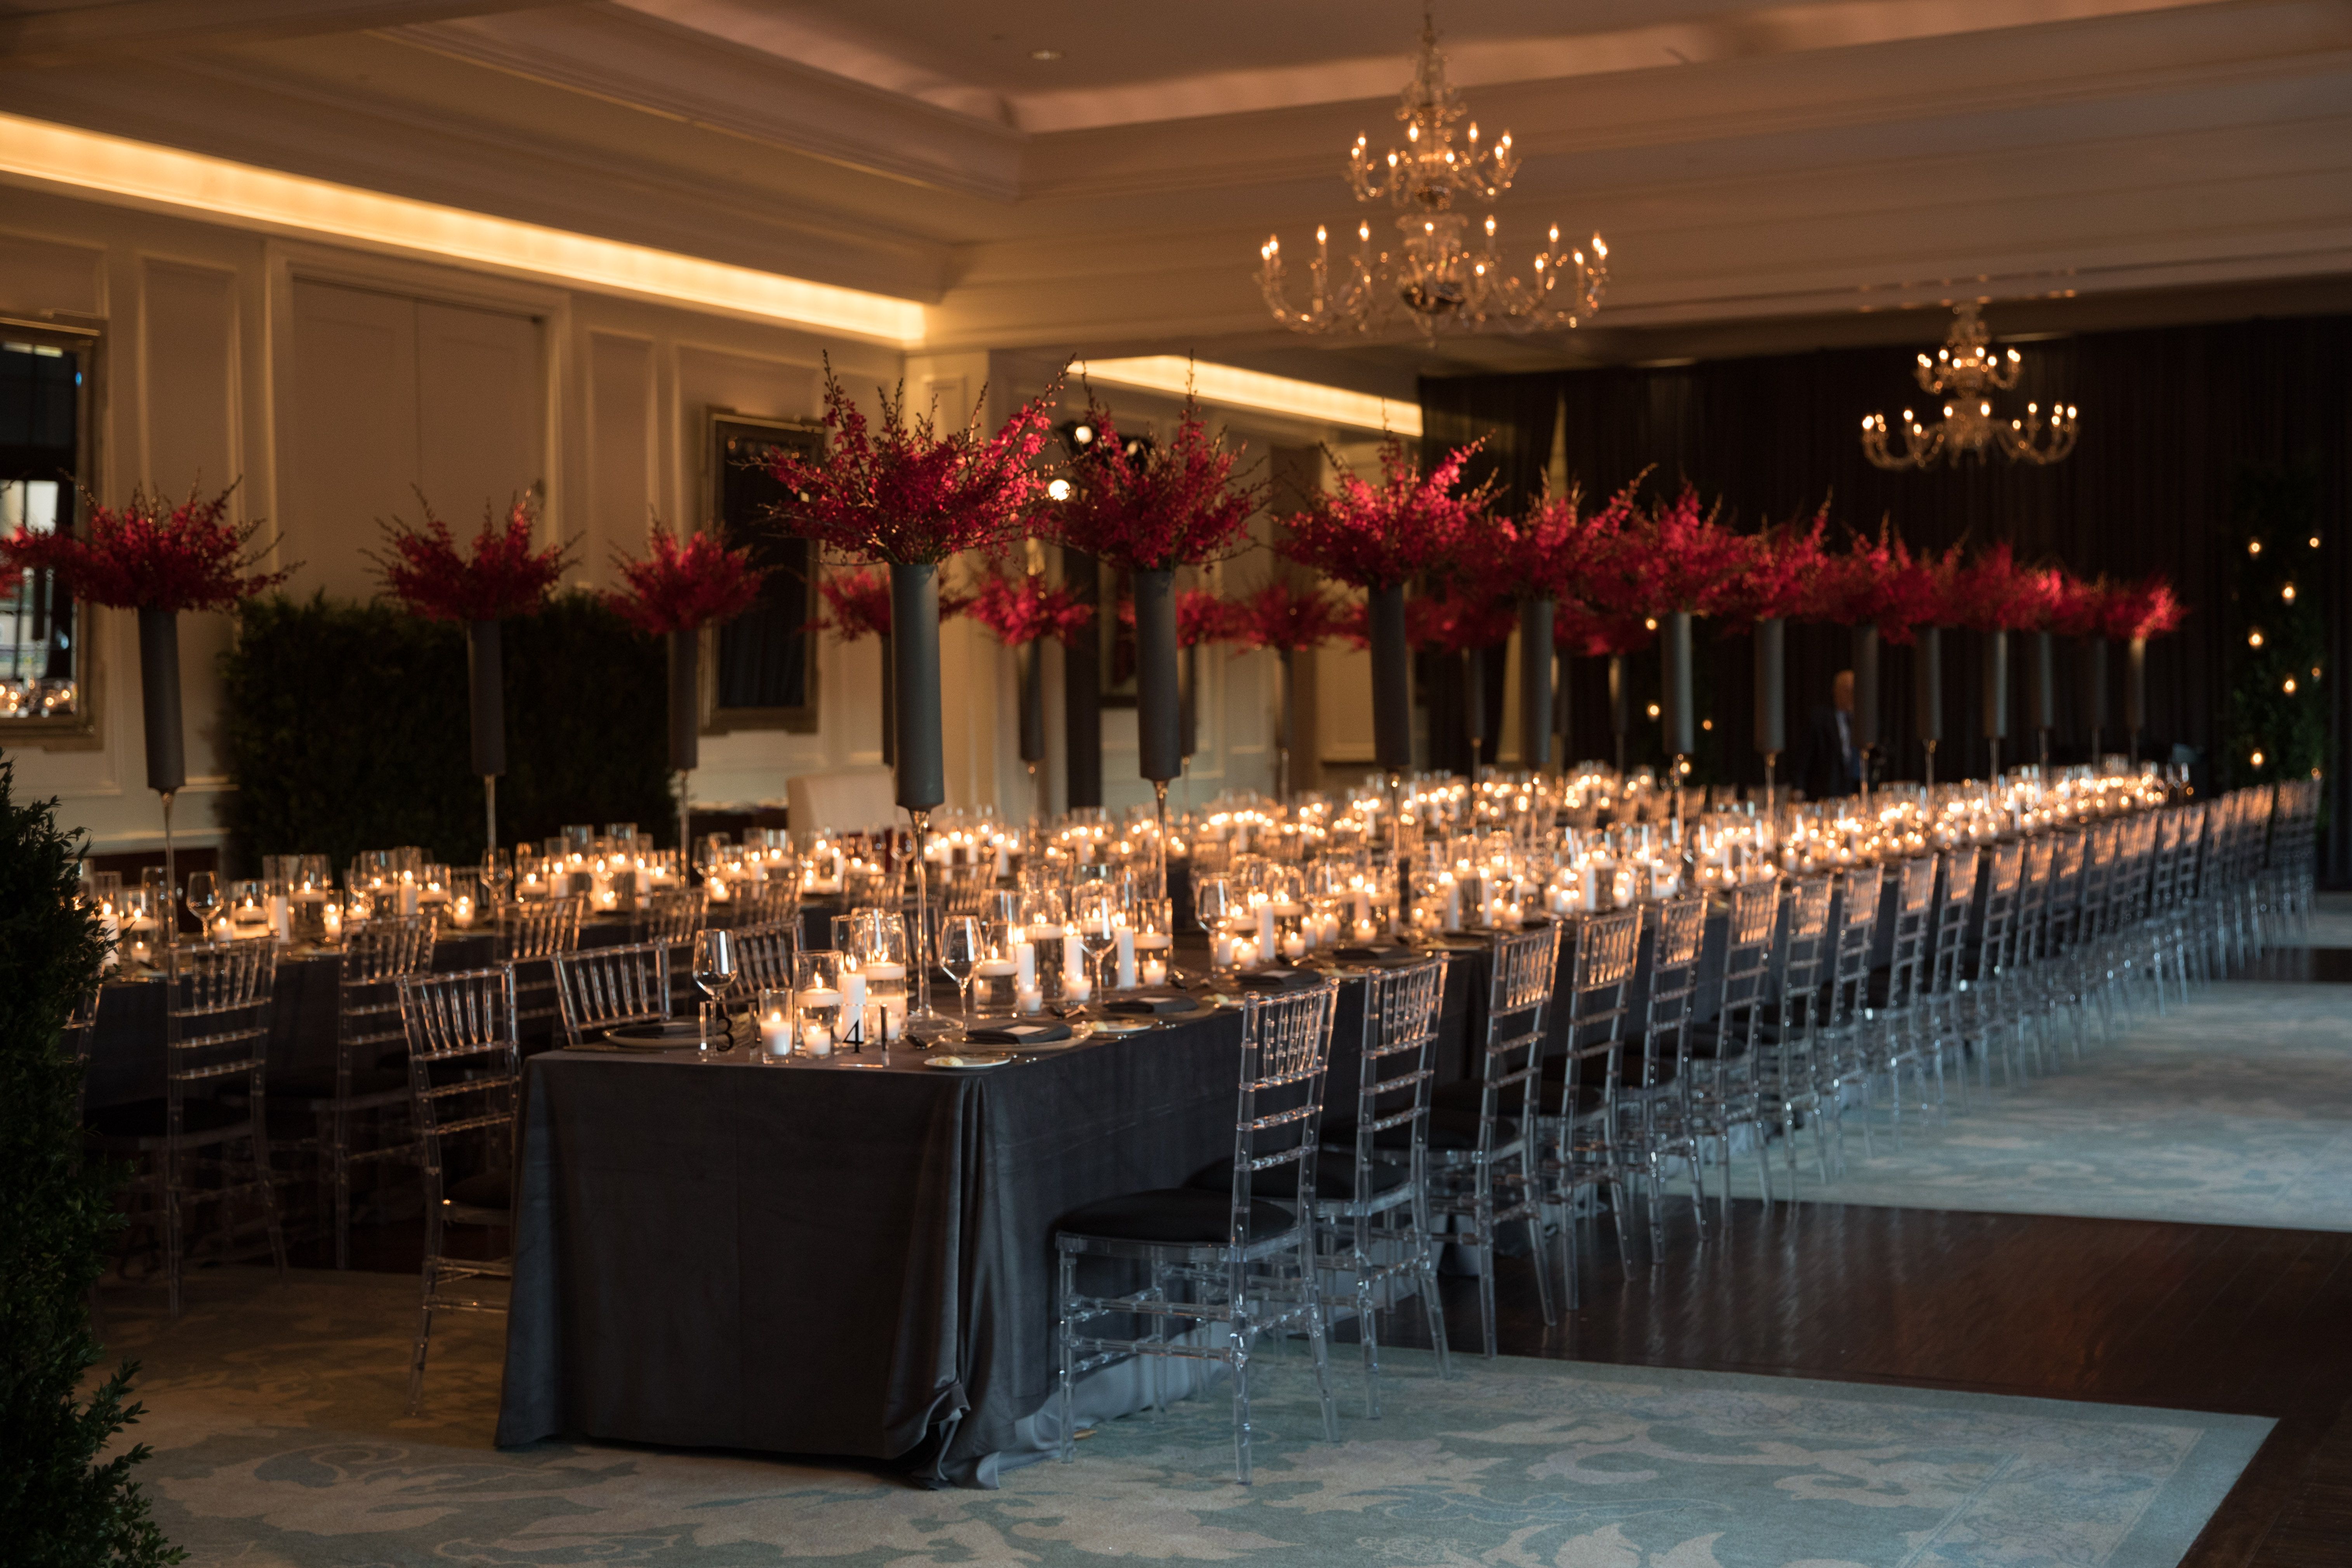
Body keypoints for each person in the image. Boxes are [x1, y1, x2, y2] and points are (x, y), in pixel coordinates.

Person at [1793, 669, 1863, 799]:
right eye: (1847, 690)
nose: (1851, 695)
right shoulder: (1819, 719)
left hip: (1856, 789)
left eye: (1855, 690)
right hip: (1827, 791)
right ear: (1836, 691)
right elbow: (1804, 756)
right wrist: (1799, 787)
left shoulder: (1863, 721)